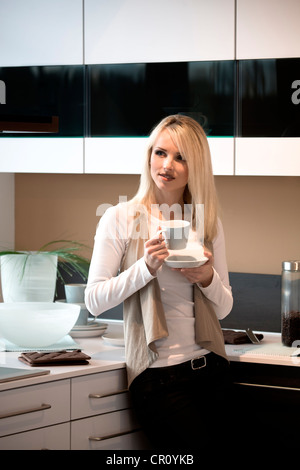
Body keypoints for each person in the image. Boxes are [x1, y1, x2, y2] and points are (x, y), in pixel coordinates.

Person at [85, 115, 233, 451]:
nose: (167, 165)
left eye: (181, 158)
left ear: (196, 167)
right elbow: (94, 301)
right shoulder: (121, 217)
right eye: (160, 152)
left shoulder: (207, 221)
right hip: (159, 378)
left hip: (211, 367)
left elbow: (224, 308)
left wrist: (206, 278)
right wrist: (146, 266)